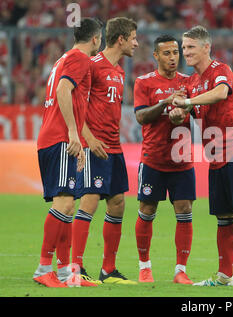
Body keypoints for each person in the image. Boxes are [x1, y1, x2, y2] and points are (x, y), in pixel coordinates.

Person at [172, 25, 233, 287]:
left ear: (207, 47)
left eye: (191, 47)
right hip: (215, 155)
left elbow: (220, 93)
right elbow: (194, 113)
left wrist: (189, 103)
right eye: (184, 47)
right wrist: (179, 113)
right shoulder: (193, 83)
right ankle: (225, 275)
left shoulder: (221, 71)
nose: (186, 52)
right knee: (224, 217)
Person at [33, 17, 103, 288]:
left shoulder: (63, 58)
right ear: (95, 38)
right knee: (62, 204)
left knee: (68, 204)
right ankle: (43, 268)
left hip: (57, 138)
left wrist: (79, 142)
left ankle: (64, 273)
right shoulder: (80, 59)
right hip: (61, 138)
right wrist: (74, 133)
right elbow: (64, 90)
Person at [71, 17, 139, 285]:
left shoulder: (120, 72)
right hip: (93, 146)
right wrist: (88, 138)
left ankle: (108, 270)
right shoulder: (92, 66)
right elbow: (77, 106)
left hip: (114, 147)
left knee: (118, 203)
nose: (136, 42)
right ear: (120, 39)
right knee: (89, 200)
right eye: (133, 37)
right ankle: (75, 267)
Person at [133, 34, 195, 284]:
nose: (172, 57)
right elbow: (141, 117)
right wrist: (165, 103)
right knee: (147, 210)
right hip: (153, 160)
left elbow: (198, 111)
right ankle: (145, 267)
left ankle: (180, 270)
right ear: (156, 56)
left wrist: (184, 110)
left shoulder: (190, 82)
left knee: (185, 210)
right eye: (166, 53)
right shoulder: (144, 83)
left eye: (175, 52)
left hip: (182, 162)